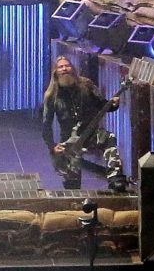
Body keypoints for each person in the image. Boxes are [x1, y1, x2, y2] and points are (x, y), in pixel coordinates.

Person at [42, 54, 129, 193]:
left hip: (91, 133)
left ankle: (115, 178)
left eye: (67, 65)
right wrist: (52, 146)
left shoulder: (87, 85)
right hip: (69, 140)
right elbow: (46, 124)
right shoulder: (51, 95)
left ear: (72, 68)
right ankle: (72, 187)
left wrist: (113, 104)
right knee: (72, 184)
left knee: (108, 138)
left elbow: (102, 105)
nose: (64, 69)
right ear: (56, 72)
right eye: (61, 67)